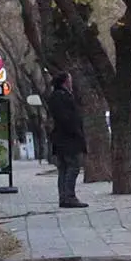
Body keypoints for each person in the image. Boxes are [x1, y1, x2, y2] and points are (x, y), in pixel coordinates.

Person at [47, 72, 88, 209]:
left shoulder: (57, 96)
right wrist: (76, 131)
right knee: (72, 167)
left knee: (64, 169)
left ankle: (64, 197)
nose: (72, 83)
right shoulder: (61, 97)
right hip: (67, 139)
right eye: (70, 80)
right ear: (65, 82)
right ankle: (69, 196)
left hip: (62, 139)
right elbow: (66, 118)